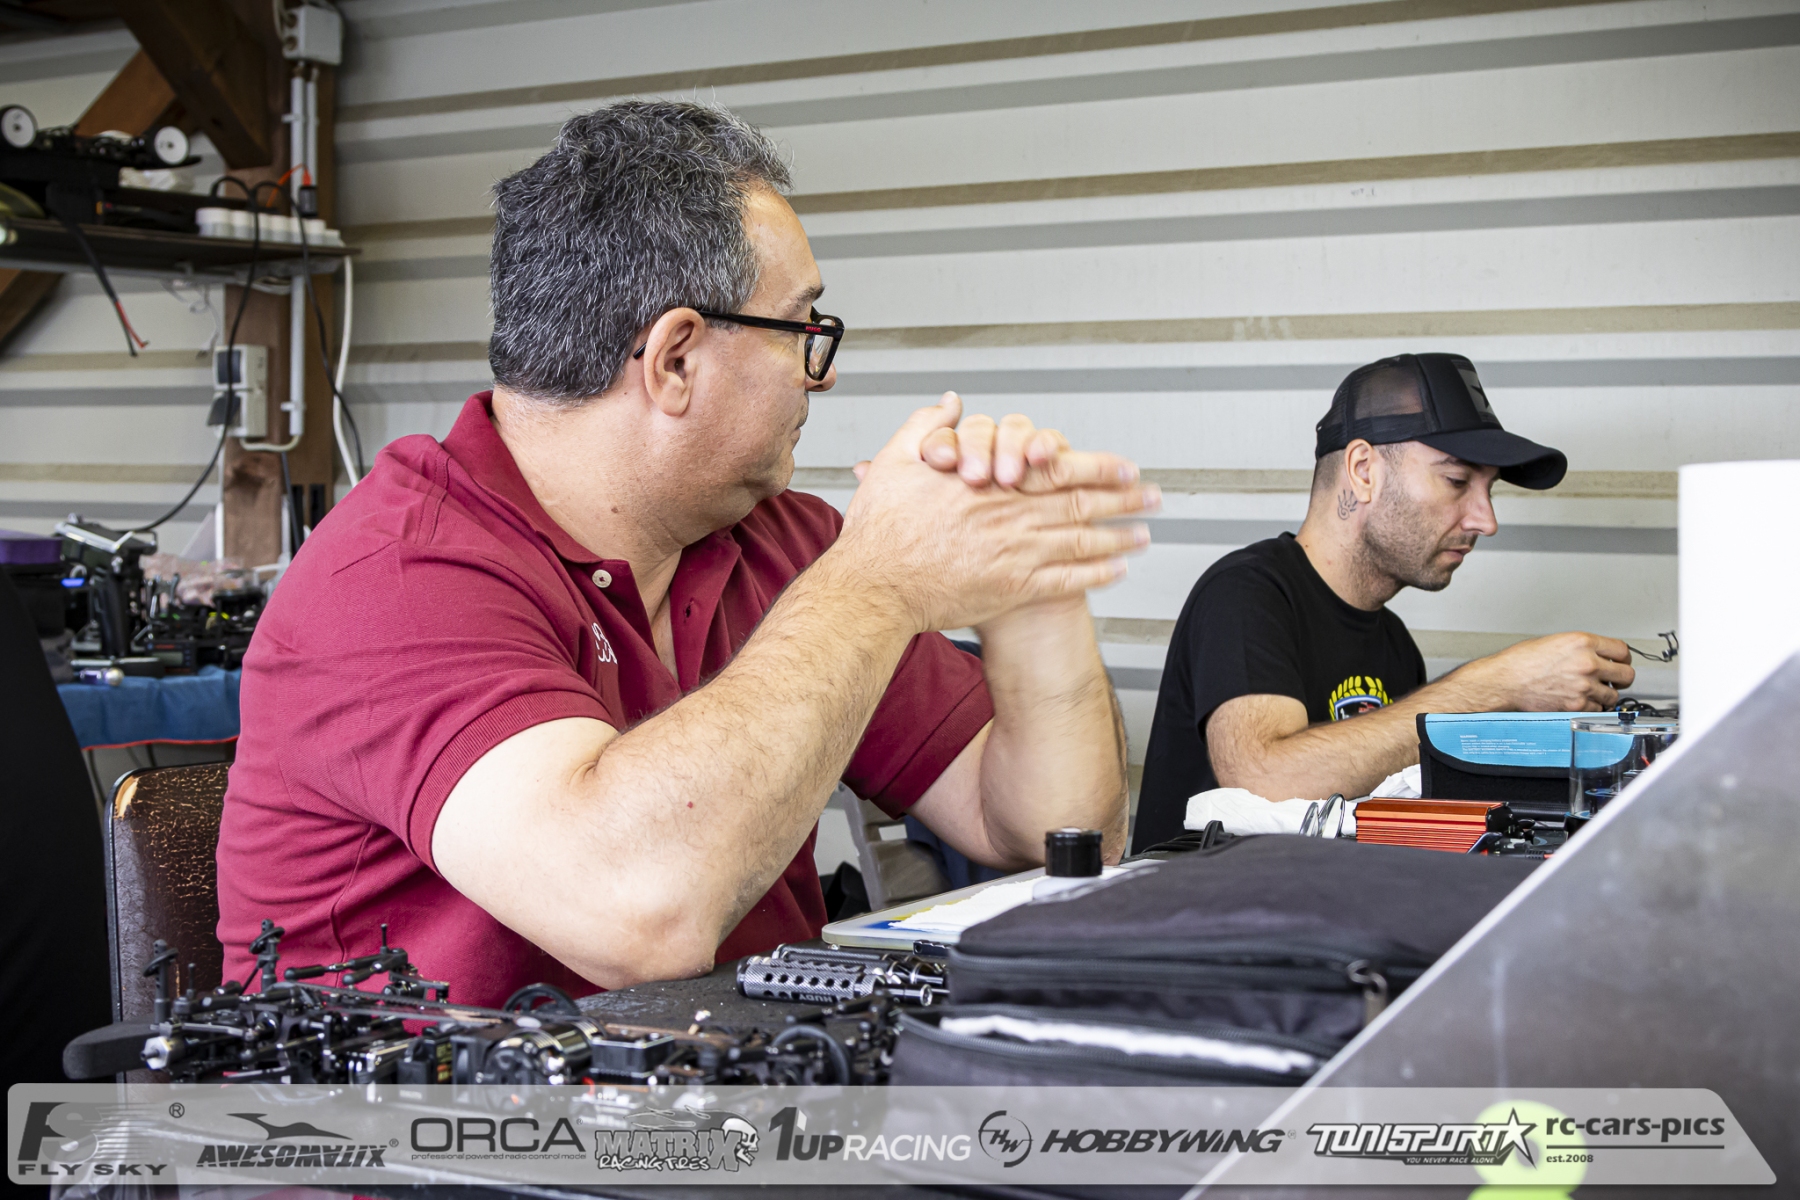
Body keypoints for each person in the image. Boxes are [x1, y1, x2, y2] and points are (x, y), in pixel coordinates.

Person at [215, 101, 1158, 1006]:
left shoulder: (779, 542)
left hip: (747, 1096)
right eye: (803, 329)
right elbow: (639, 914)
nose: (820, 374)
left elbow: (1053, 833)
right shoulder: (394, 577)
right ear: (675, 359)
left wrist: (1029, 575)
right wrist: (878, 580)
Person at [1131, 352, 1636, 852]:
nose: (1486, 521)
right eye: (1457, 481)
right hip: (1198, 902)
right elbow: (1264, 780)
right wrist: (1499, 684)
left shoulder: (1394, 643)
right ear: (1363, 470)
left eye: (1489, 491)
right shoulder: (1246, 593)